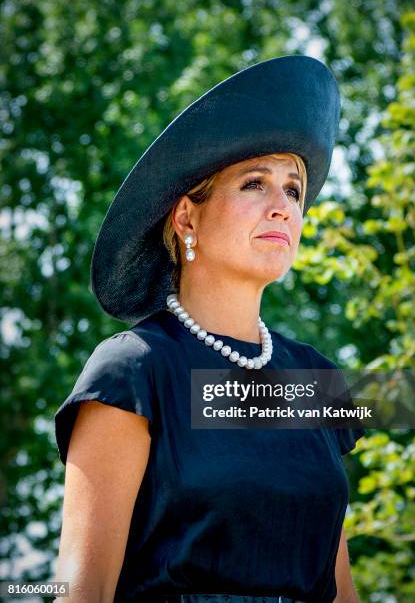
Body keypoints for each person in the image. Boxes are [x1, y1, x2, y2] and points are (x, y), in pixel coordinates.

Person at [53, 55, 365, 603]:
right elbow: (82, 591)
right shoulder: (132, 370)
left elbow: (339, 588)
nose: (283, 208)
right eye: (254, 184)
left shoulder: (318, 378)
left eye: (293, 190)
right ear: (186, 218)